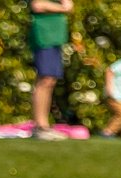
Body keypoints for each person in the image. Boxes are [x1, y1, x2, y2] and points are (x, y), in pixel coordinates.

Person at [29, 0, 74, 140]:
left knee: (50, 81)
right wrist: (62, 8)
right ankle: (40, 126)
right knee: (45, 80)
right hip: (44, 37)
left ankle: (44, 126)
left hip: (55, 39)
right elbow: (37, 5)